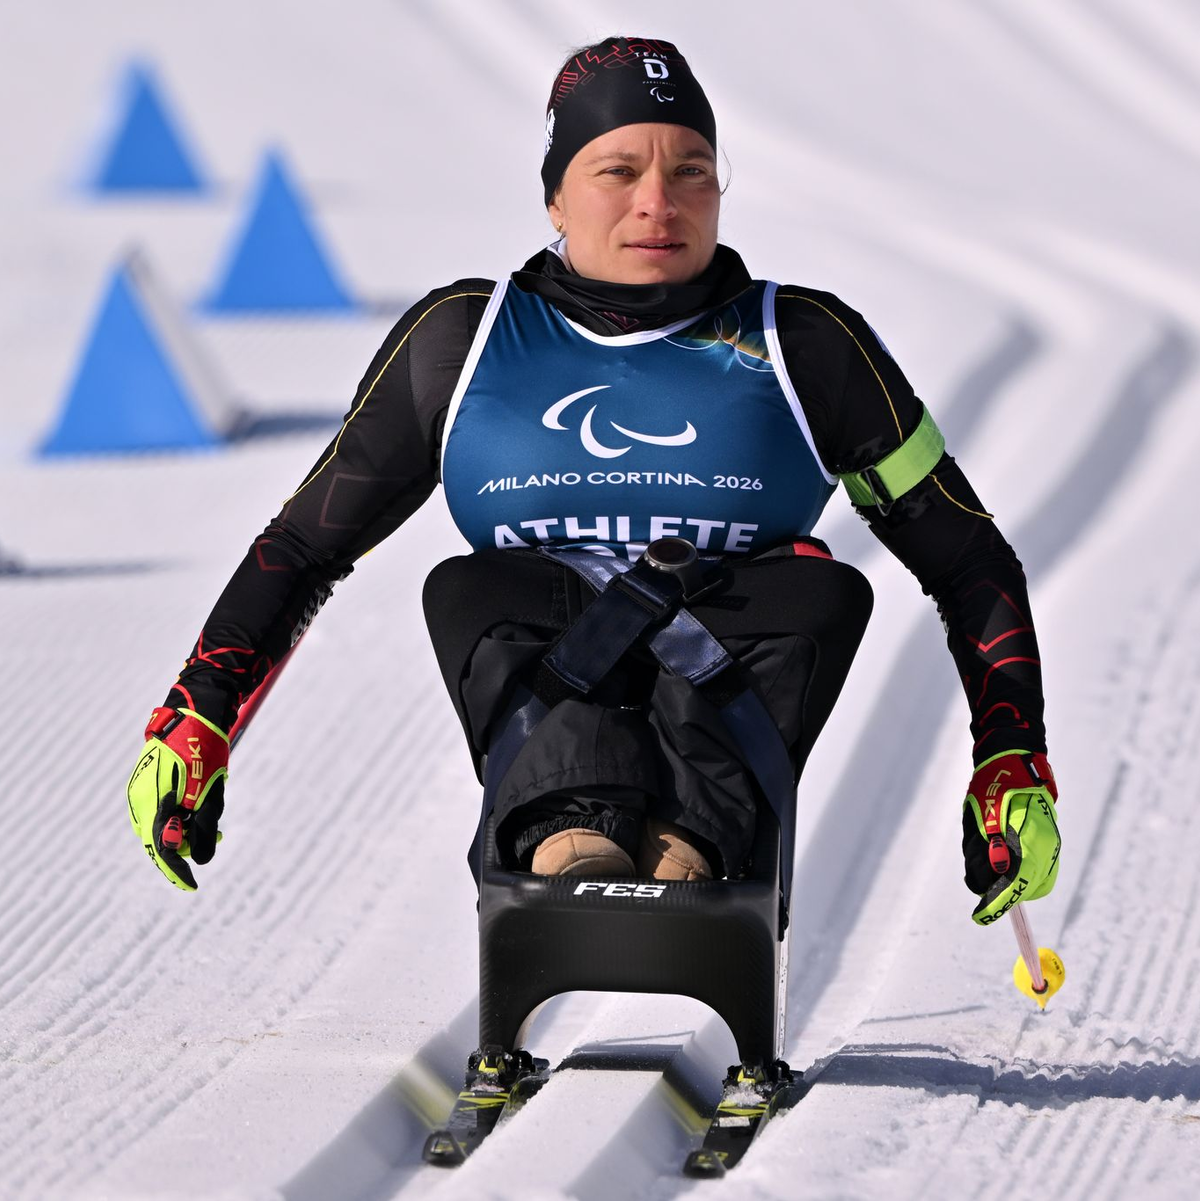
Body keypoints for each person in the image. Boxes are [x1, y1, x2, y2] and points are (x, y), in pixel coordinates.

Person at [127, 36, 1060, 926]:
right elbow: (303, 545)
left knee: (820, 588)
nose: (659, 202)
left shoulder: (810, 346)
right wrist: (195, 716)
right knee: (473, 585)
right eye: (618, 171)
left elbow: (967, 558)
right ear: (556, 199)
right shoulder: (462, 341)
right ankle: (570, 839)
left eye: (691, 169)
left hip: (732, 725)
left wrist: (1012, 755)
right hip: (546, 710)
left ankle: (688, 852)